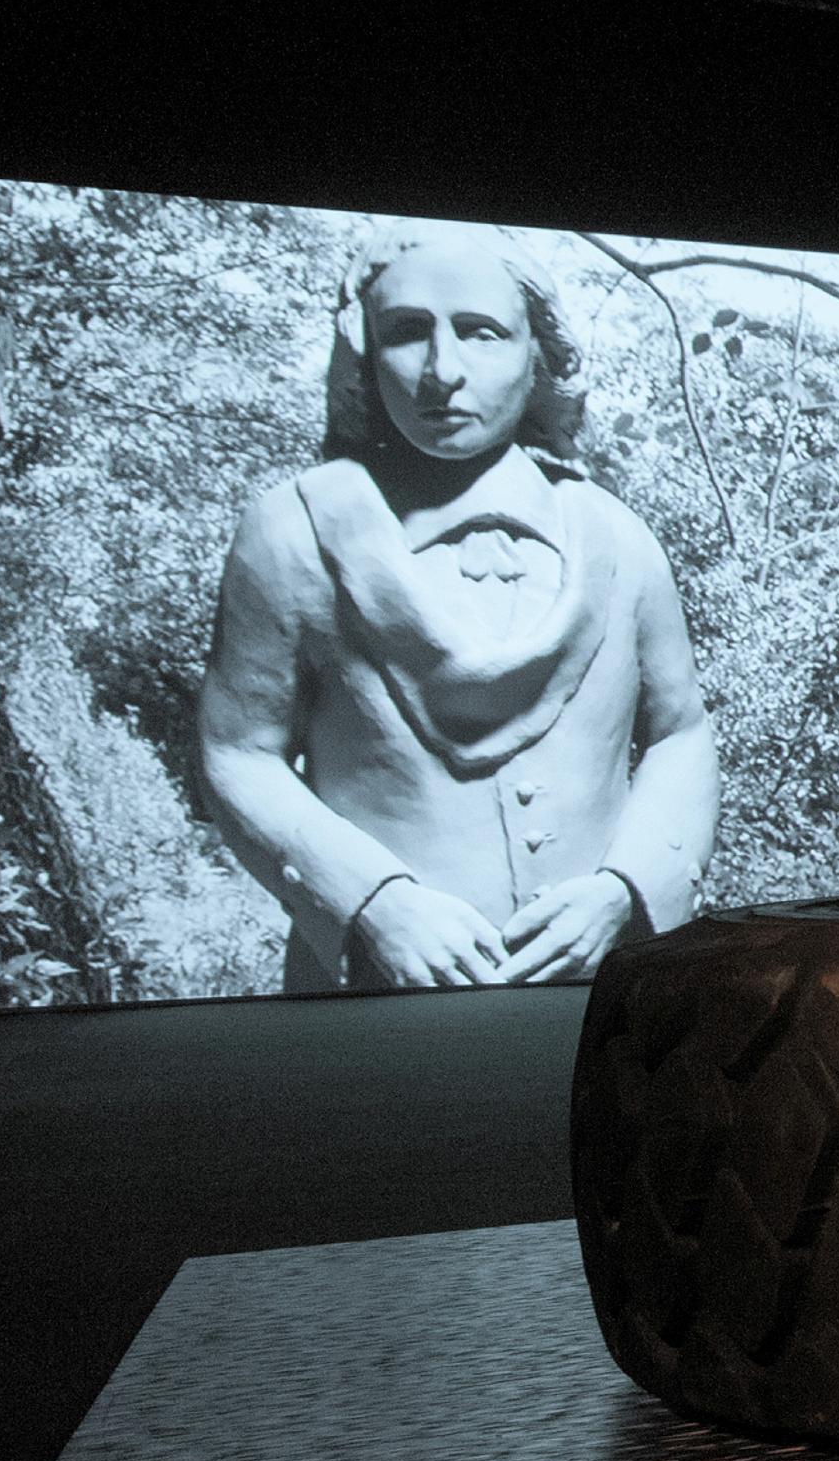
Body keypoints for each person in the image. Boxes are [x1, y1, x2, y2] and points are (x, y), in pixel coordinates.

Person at [198, 223, 715, 991]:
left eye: (480, 332)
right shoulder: (291, 533)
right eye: (408, 333)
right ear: (365, 356)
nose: (443, 370)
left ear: (536, 353)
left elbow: (680, 735)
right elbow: (235, 754)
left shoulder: (618, 540)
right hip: (372, 1008)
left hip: (599, 1000)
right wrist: (373, 902)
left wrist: (624, 888)